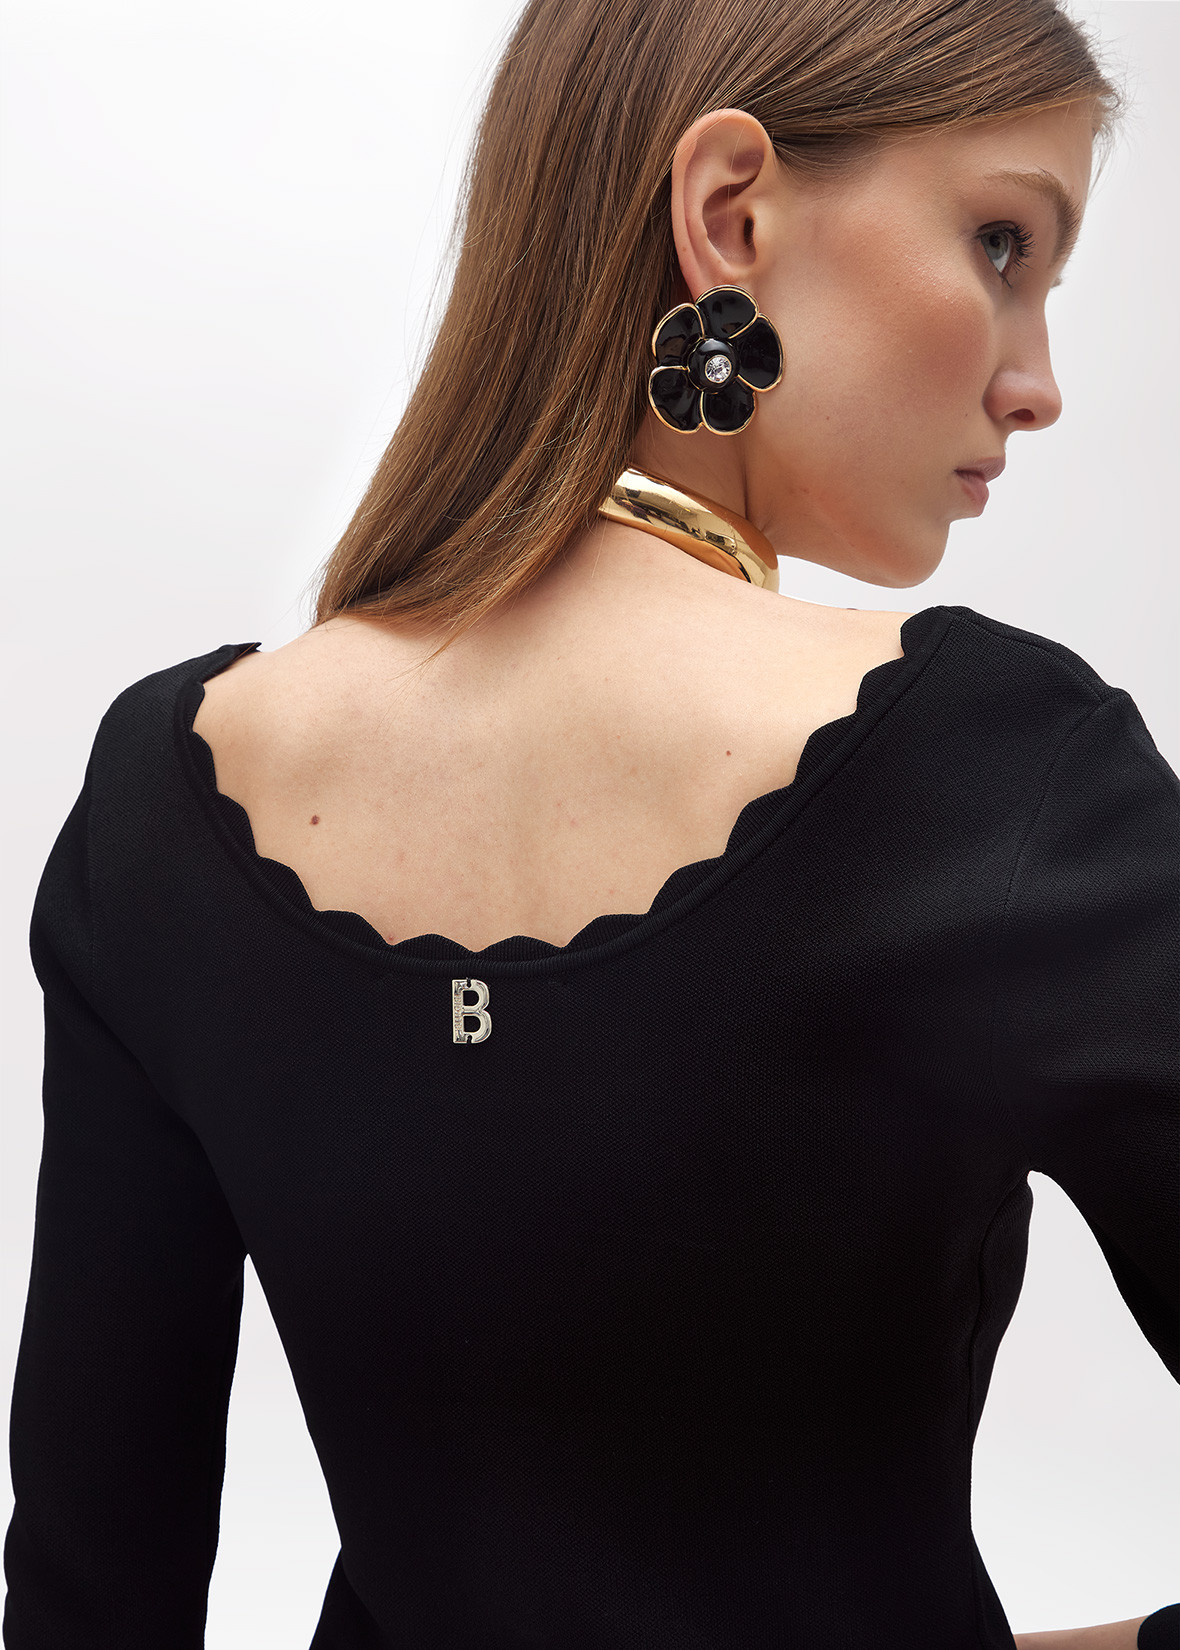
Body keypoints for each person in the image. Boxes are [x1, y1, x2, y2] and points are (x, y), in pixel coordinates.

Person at [3, 0, 1177, 1644]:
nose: (1036, 380)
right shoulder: (997, 770)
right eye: (1002, 244)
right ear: (731, 214)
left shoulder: (163, 798)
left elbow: (85, 1602)